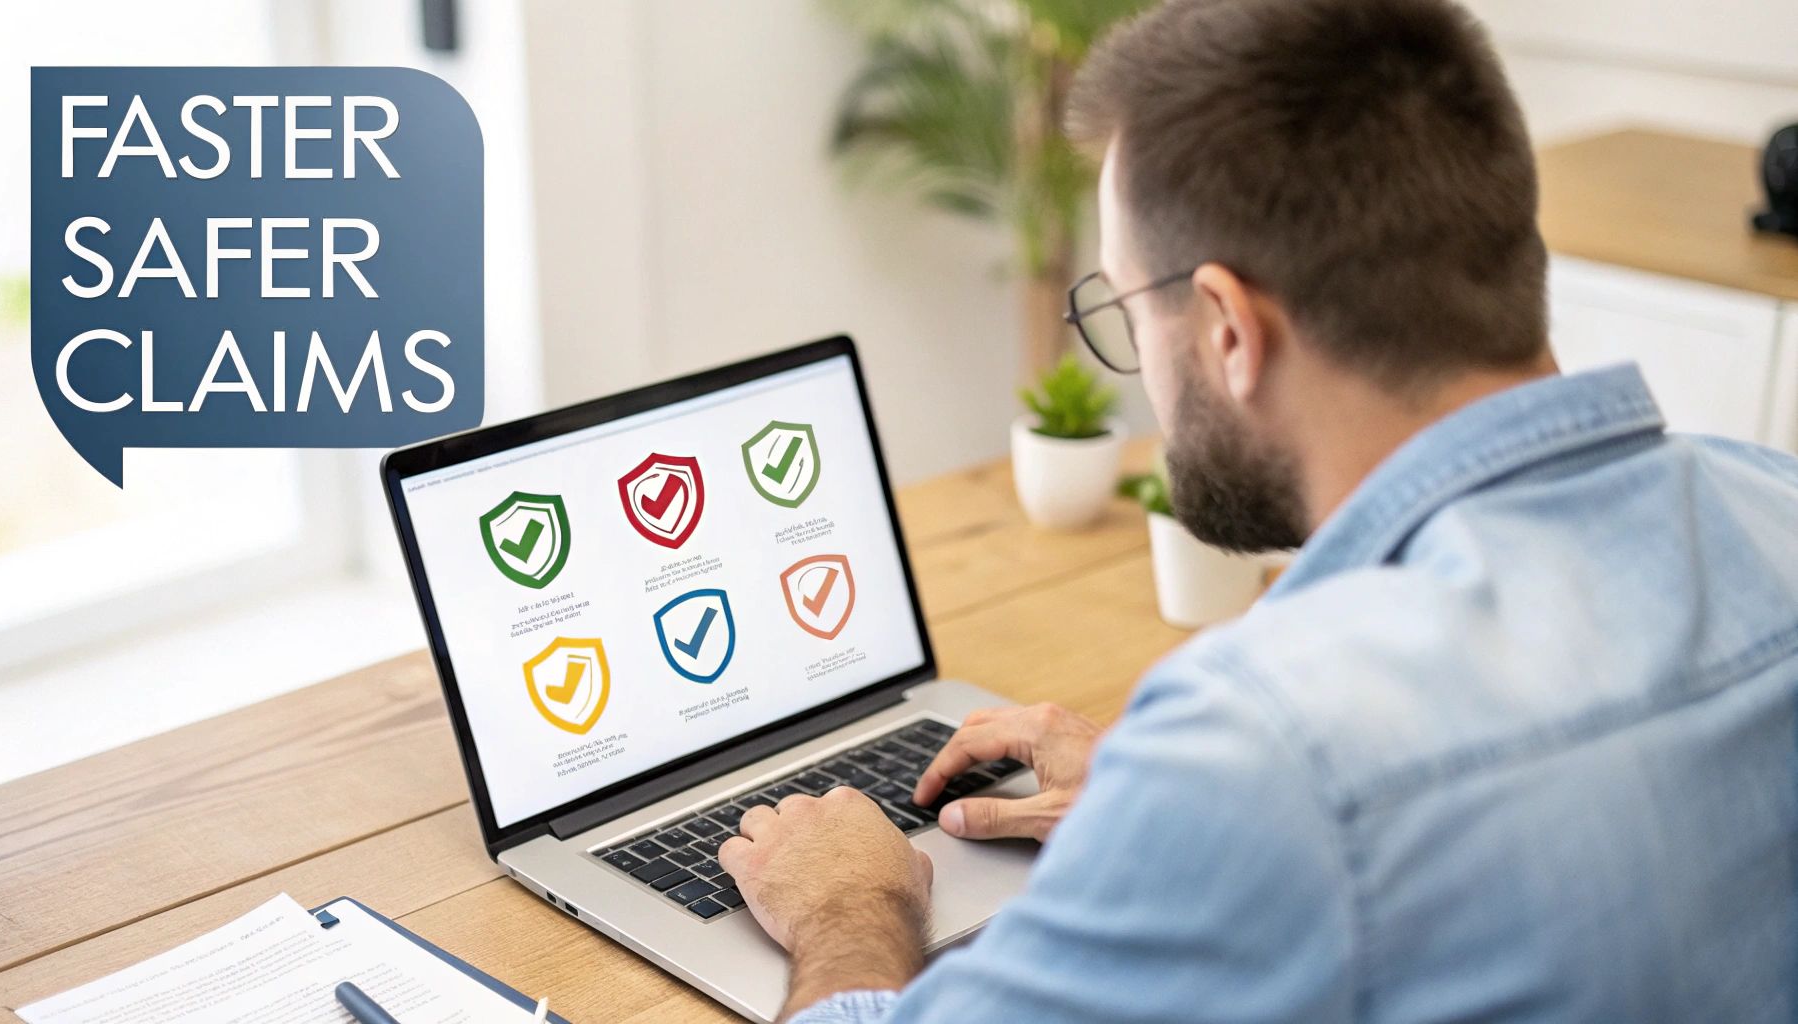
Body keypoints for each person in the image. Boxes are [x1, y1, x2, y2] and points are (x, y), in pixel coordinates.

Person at [717, 0, 1798, 1019]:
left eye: (1125, 306)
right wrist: (1165, 828)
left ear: (1228, 330)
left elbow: (1328, 787)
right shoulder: (1773, 504)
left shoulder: (1272, 750)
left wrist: (846, 906)